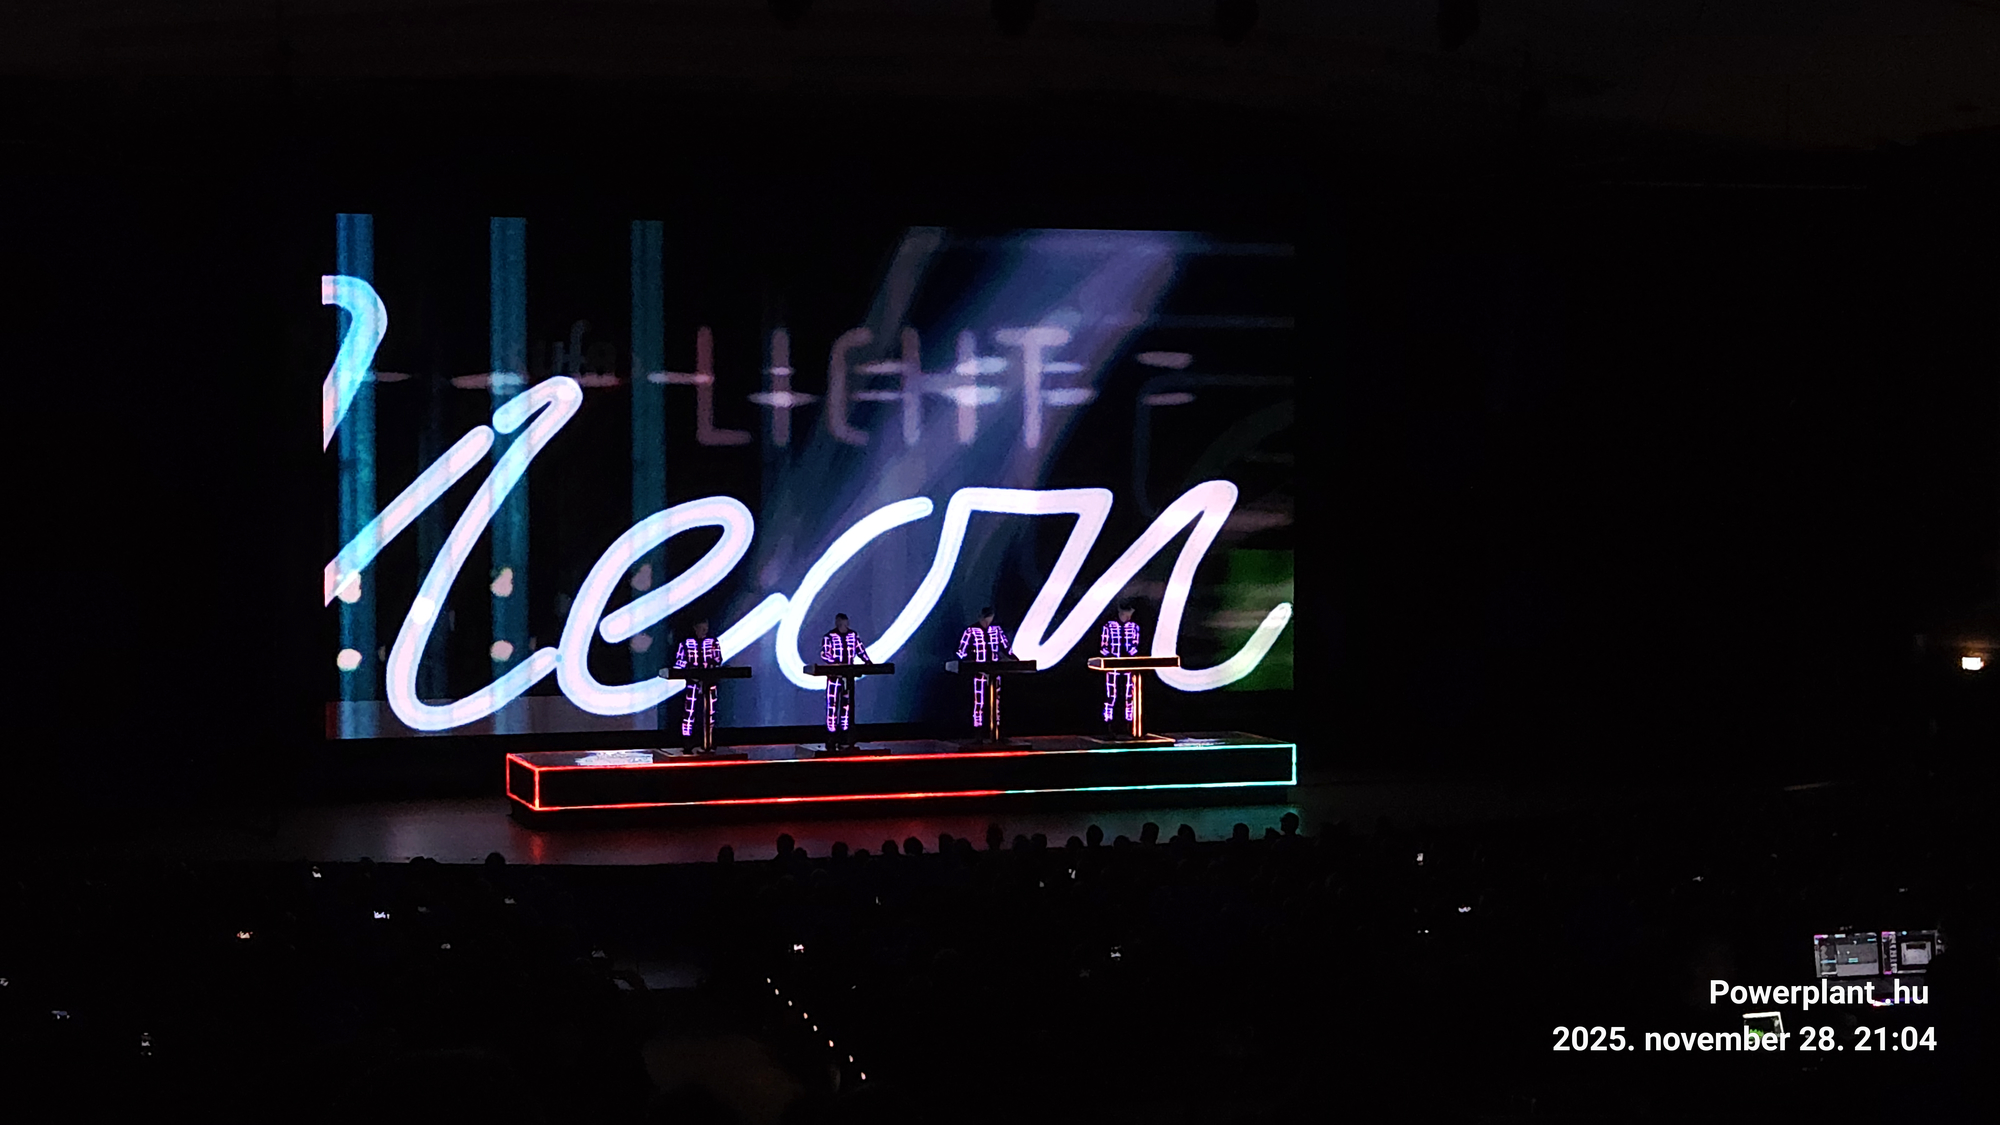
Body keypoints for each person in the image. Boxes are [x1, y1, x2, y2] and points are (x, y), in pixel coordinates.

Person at [956, 606, 1011, 730]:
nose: (987, 621)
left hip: (995, 670)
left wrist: (1014, 660)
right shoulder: (971, 631)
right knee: (978, 701)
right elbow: (961, 651)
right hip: (978, 670)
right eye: (985, 618)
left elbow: (1006, 648)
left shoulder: (997, 630)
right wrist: (966, 662)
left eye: (989, 618)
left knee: (996, 700)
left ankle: (996, 727)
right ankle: (978, 729)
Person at [821, 613, 870, 749]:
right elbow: (825, 654)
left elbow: (860, 650)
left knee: (846, 705)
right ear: (836, 623)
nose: (843, 626)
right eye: (840, 623)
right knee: (832, 704)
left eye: (844, 623)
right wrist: (836, 663)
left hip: (848, 677)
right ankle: (831, 734)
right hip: (834, 676)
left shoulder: (853, 636)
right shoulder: (829, 637)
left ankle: (845, 733)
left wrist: (867, 662)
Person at [672, 620, 723, 749]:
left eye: (706, 626)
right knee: (689, 711)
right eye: (701, 627)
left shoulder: (713, 643)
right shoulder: (686, 644)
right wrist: (686, 671)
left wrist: (710, 671)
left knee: (710, 712)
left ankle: (708, 740)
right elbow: (680, 662)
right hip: (692, 682)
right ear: (695, 627)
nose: (704, 629)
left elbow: (718, 660)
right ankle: (687, 740)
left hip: (709, 682)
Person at [1100, 602, 1141, 736]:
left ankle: (1128, 724)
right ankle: (1108, 723)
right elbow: (1103, 646)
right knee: (1111, 695)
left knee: (1129, 695)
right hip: (1113, 666)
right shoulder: (1109, 626)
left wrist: (1129, 657)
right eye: (1126, 614)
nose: (1128, 617)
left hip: (1128, 666)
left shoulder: (1134, 627)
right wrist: (1111, 657)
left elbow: (1135, 645)